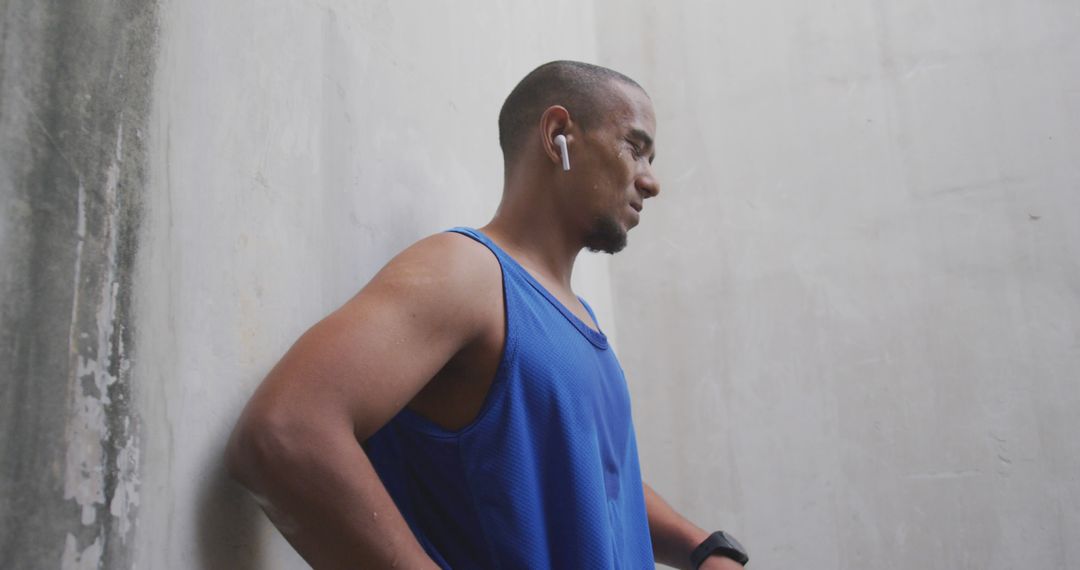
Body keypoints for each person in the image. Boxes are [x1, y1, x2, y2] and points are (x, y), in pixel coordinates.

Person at [226, 60, 748, 569]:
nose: (650, 181)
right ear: (557, 134)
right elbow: (286, 432)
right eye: (635, 149)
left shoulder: (577, 315)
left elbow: (588, 473)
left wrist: (702, 547)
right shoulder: (469, 274)